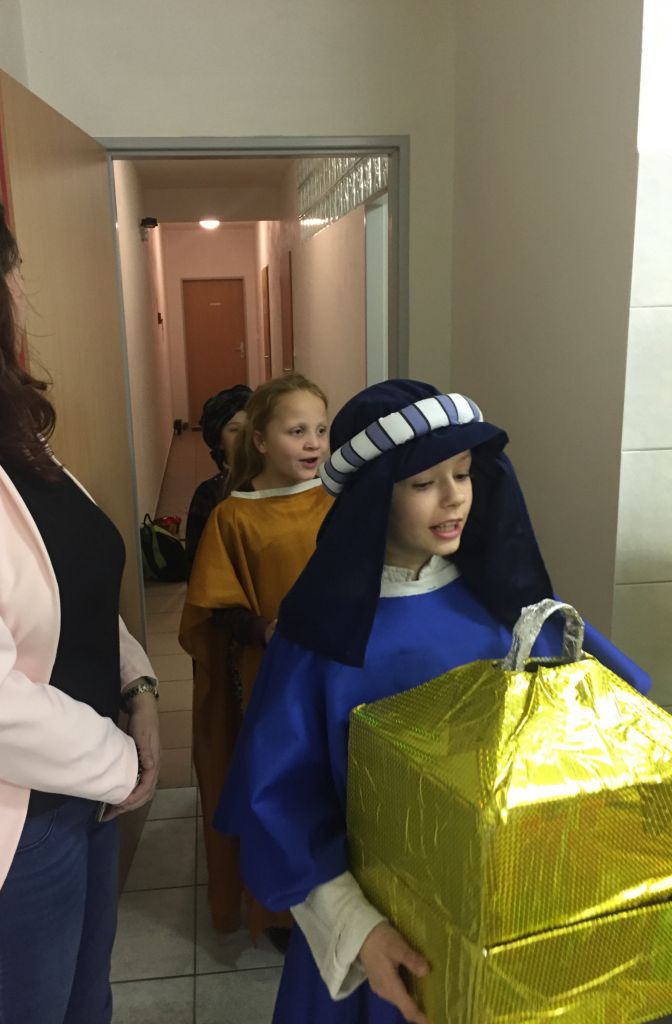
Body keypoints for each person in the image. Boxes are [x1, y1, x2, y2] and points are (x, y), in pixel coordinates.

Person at [214, 379, 651, 1024]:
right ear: (374, 497)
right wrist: (358, 928)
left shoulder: (514, 610)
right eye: (424, 483)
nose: (454, 498)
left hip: (520, 910)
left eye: (464, 473)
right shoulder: (320, 642)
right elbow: (279, 804)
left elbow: (611, 728)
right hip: (389, 932)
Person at [0, 161, 161, 1024]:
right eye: (7, 267)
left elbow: (75, 578)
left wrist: (137, 684)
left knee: (89, 1006)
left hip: (77, 793)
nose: (22, 289)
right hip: (2, 832)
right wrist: (119, 761)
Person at [179, 373, 334, 939]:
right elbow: (215, 605)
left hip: (335, 673)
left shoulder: (337, 501)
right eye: (297, 431)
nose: (314, 443)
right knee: (280, 791)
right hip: (272, 679)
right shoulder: (235, 515)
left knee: (331, 787)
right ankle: (280, 911)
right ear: (261, 441)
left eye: (321, 429)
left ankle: (337, 902)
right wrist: (262, 630)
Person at [185, 383, 252, 569]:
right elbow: (197, 566)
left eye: (251, 427)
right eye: (234, 430)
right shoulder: (209, 495)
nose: (245, 437)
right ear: (219, 440)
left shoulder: (277, 479)